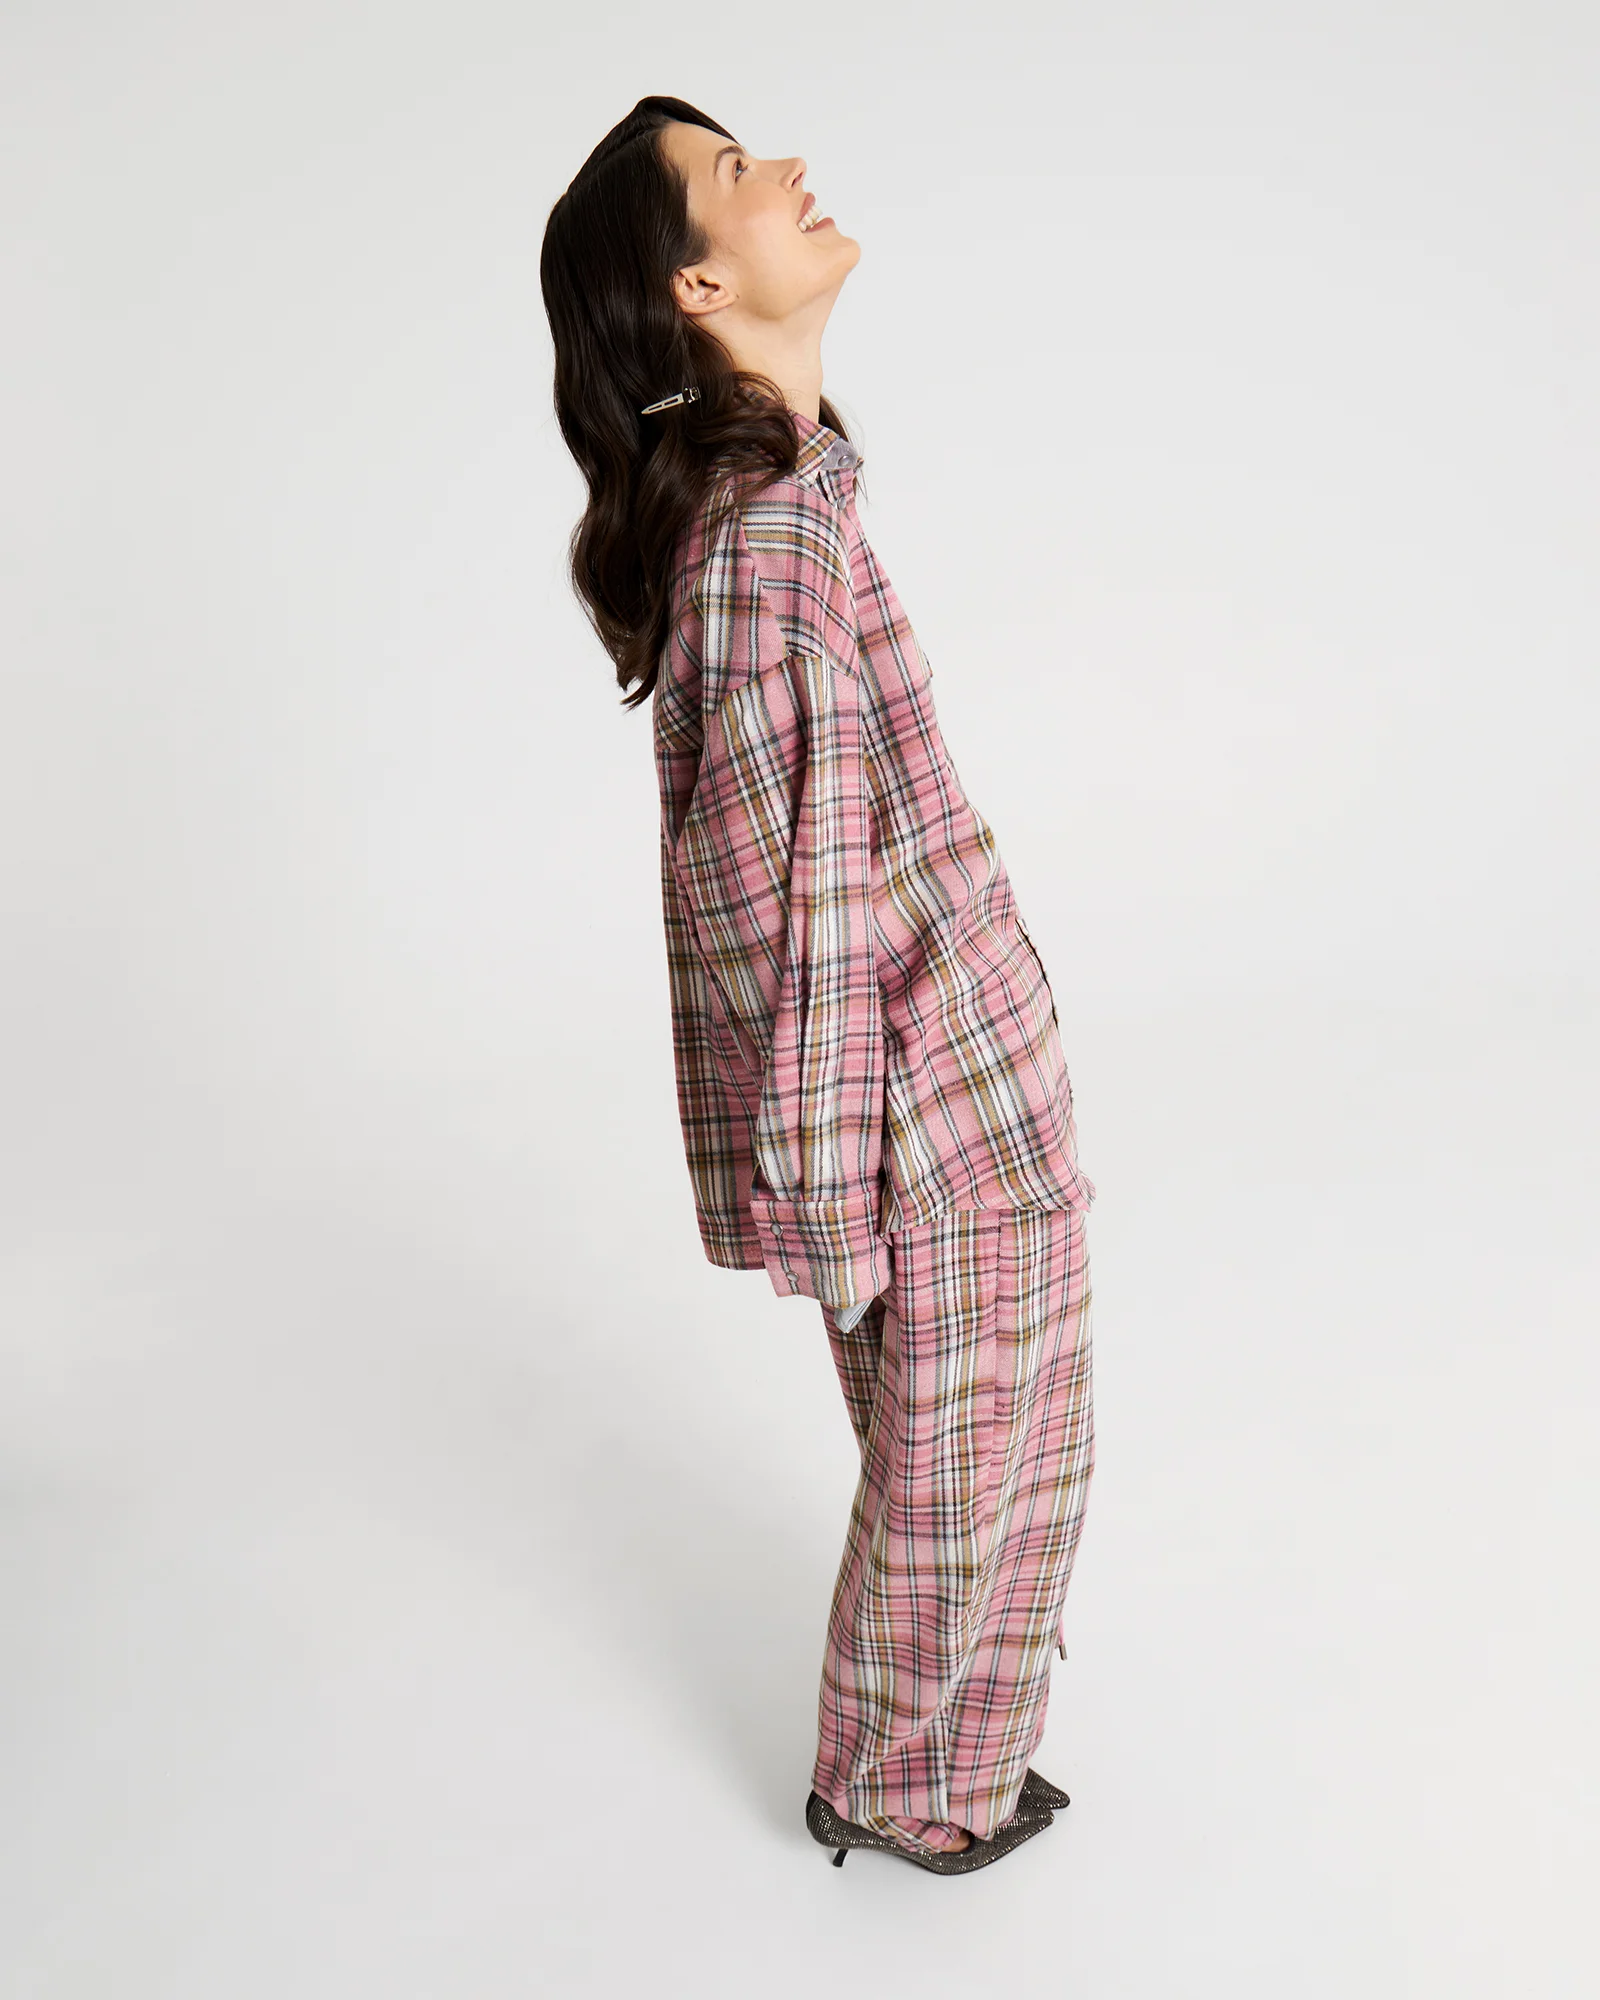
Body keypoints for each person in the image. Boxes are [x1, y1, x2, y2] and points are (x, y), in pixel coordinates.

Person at [540, 96, 1098, 1876]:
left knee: (1001, 1448)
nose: (785, 168)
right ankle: (901, 1787)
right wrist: (834, 1206)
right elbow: (784, 917)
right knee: (960, 1468)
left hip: (962, 1071)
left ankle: (952, 1760)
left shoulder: (794, 500)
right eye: (733, 174)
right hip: (926, 1112)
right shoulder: (765, 548)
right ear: (698, 286)